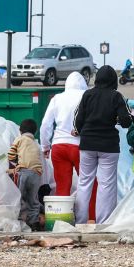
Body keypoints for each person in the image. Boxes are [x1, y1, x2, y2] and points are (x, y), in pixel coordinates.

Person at [73, 65, 134, 225]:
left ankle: (80, 221)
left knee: (84, 182)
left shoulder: (87, 95)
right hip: (108, 146)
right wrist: (119, 119)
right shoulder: (116, 96)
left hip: (87, 145)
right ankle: (103, 223)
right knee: (106, 184)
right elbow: (126, 121)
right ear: (114, 80)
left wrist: (83, 132)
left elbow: (78, 120)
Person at [39, 70, 87, 206]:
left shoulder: (57, 98)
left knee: (62, 186)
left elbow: (45, 125)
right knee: (88, 185)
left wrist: (45, 146)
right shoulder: (87, 96)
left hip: (59, 146)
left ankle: (61, 216)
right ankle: (88, 215)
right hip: (80, 146)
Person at [7, 118, 45, 227]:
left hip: (23, 172)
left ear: (20, 131)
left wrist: (16, 164)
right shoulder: (36, 144)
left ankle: (18, 221)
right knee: (33, 200)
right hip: (36, 174)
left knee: (18, 197)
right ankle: (34, 223)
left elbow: (11, 155)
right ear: (35, 132)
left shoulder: (20, 139)